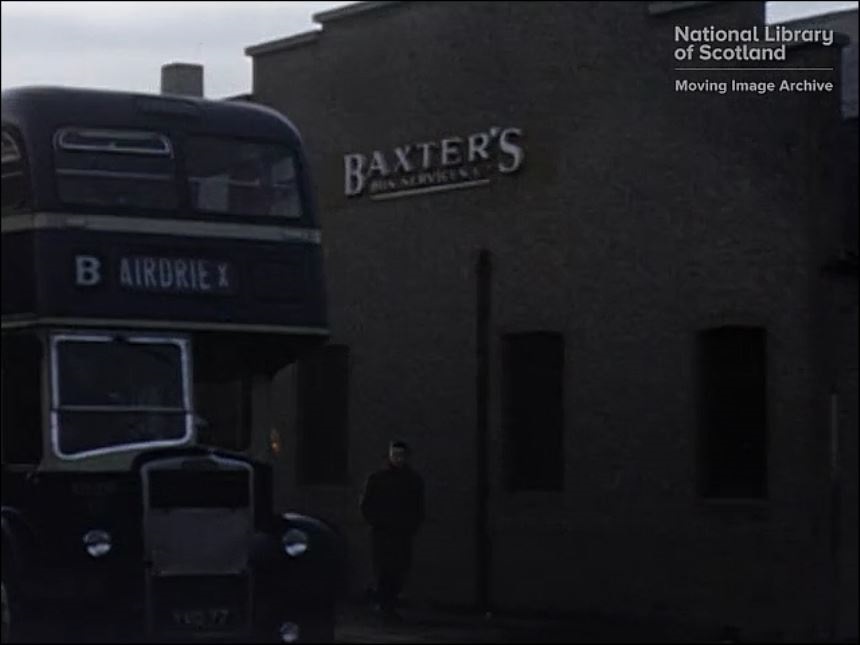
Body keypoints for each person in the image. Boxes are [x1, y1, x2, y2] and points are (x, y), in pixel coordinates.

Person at [359, 440, 425, 620]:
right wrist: (376, 522)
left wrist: (411, 526)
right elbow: (366, 505)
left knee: (399, 569)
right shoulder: (378, 478)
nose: (398, 459)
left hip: (400, 532)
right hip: (383, 532)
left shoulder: (412, 480)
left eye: (400, 455)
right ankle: (385, 604)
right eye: (395, 455)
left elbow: (418, 507)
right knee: (384, 569)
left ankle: (388, 603)